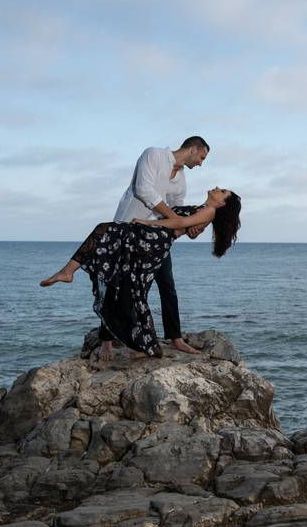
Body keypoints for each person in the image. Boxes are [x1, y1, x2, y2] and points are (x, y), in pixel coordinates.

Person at [40, 188, 241, 359]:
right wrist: (188, 228)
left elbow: (178, 225)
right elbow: (184, 226)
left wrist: (149, 223)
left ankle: (68, 272)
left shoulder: (210, 211)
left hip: (153, 240)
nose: (217, 188)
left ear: (223, 203)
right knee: (131, 285)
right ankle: (142, 343)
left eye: (222, 191)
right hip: (153, 239)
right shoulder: (202, 209)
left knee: (105, 232)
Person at [110, 136, 210, 358]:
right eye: (202, 157)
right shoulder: (153, 155)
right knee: (122, 285)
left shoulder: (181, 179)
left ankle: (175, 338)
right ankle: (107, 340)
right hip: (129, 229)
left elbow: (178, 209)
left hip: (157, 238)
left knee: (167, 286)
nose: (201, 163)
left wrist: (188, 228)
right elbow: (143, 189)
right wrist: (177, 219)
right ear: (193, 149)